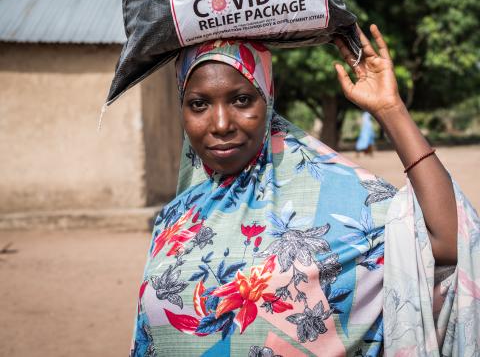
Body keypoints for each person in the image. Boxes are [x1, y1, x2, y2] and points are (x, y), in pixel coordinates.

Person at [130, 25, 479, 356]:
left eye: (240, 100)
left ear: (268, 97)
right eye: (199, 104)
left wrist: (391, 110)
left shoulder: (333, 200)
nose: (220, 124)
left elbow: (451, 240)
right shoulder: (175, 220)